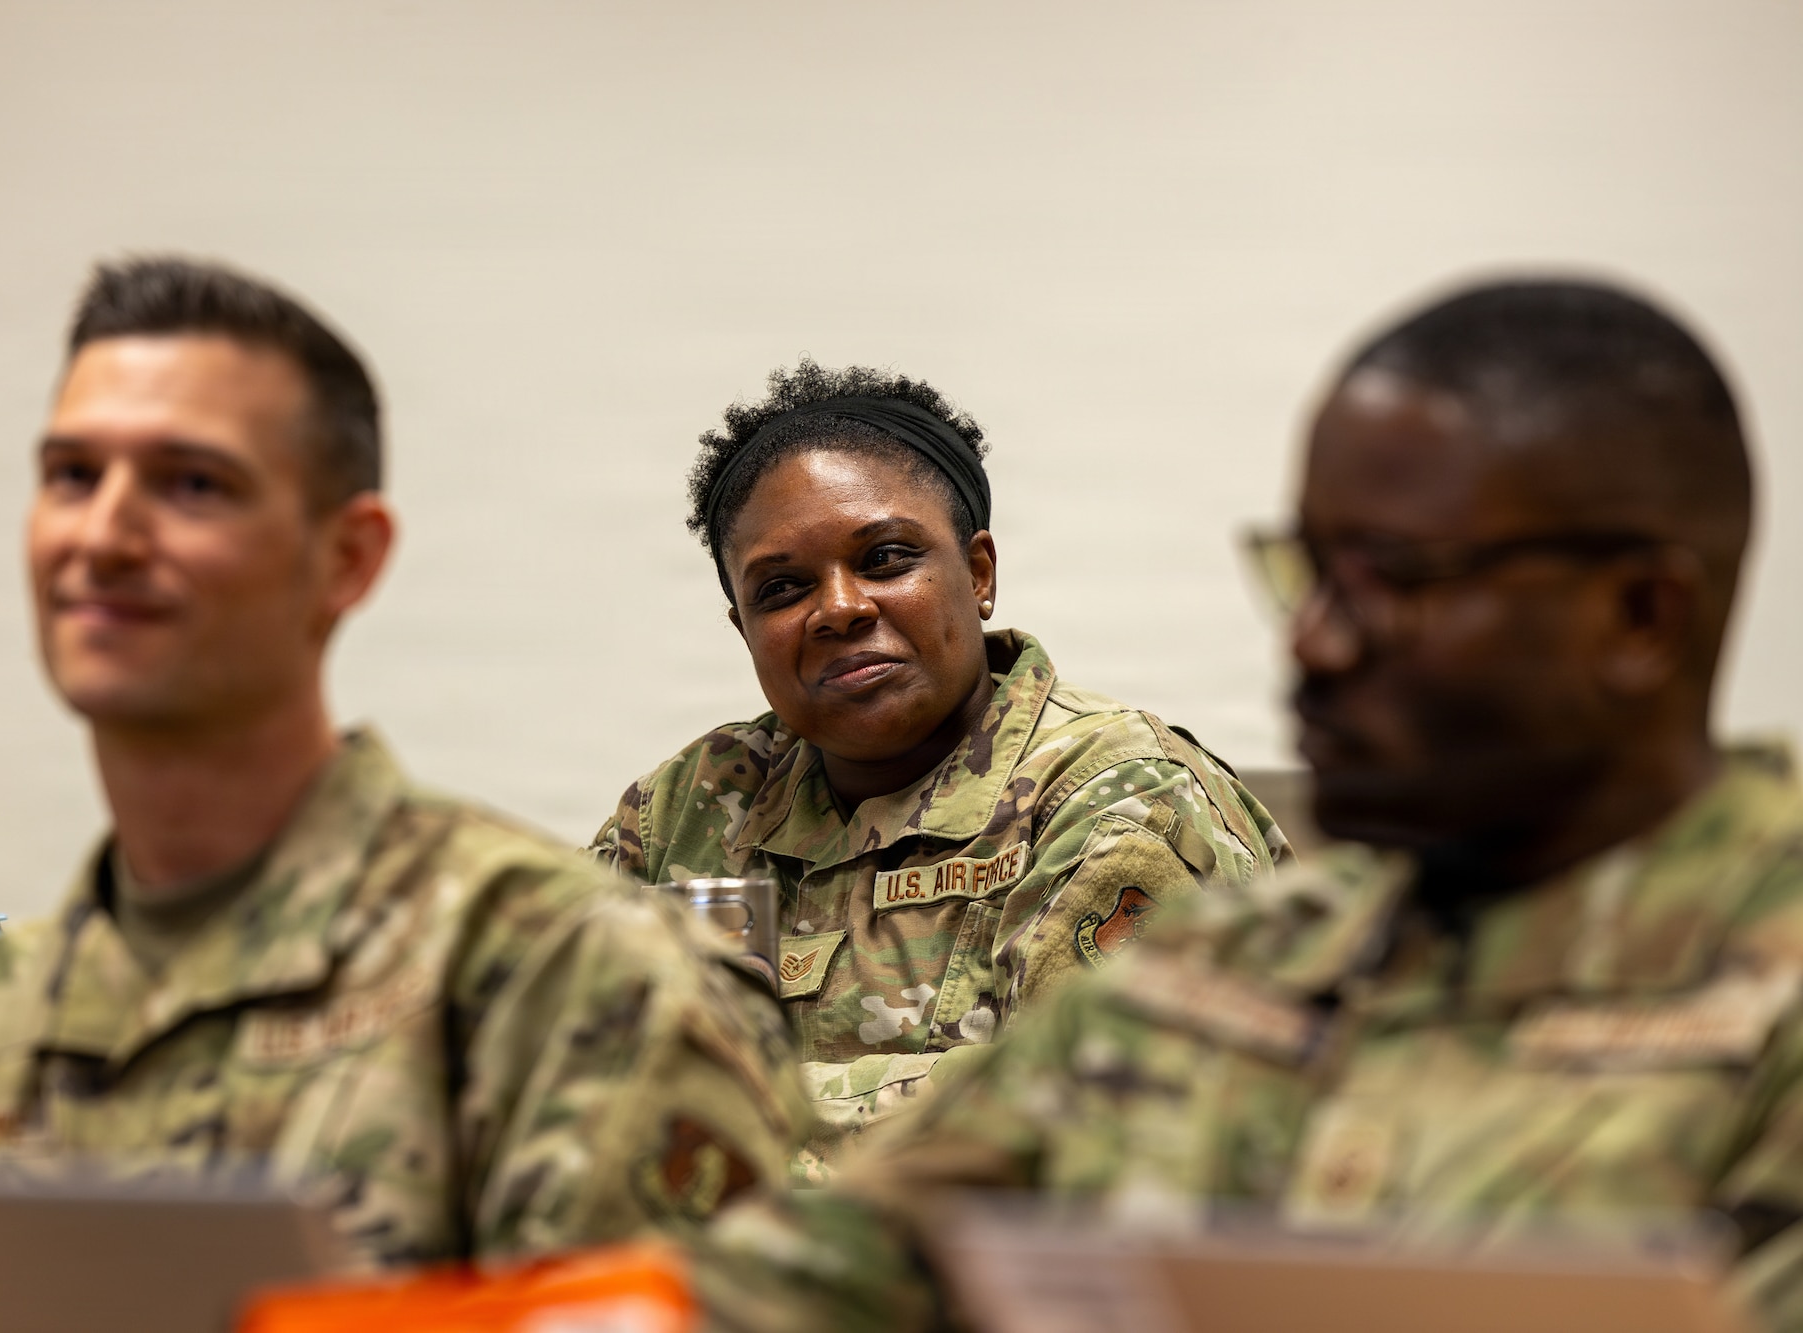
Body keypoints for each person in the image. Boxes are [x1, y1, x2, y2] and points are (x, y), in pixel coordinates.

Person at [694, 279, 1803, 1331]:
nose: (1311, 641)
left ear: (1640, 618)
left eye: (1396, 580)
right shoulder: (1243, 962)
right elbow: (819, 1262)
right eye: (1307, 574)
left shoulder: (1764, 995)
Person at [0, 257, 812, 1267]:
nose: (103, 535)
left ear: (347, 557)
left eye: (192, 483)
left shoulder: (562, 976)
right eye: (72, 475)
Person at [591, 361, 1283, 1160]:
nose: (840, 608)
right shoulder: (690, 809)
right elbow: (542, 1082)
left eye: (885, 558)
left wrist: (711, 1118)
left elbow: (1089, 1146)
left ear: (979, 572)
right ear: (743, 627)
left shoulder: (1120, 795)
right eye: (781, 588)